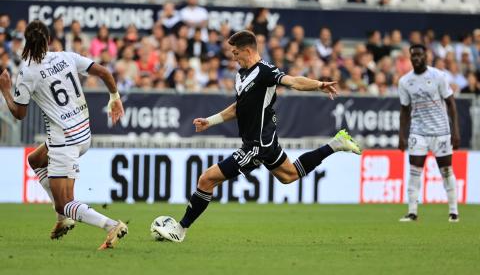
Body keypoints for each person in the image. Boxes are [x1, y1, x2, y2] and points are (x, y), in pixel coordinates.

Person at [152, 30, 361, 243]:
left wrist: (318, 85)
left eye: (235, 53)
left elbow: (294, 81)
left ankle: (180, 229)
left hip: (257, 145)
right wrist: (210, 121)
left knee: (206, 179)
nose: (233, 57)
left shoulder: (266, 71)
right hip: (265, 141)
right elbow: (238, 108)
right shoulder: (241, 75)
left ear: (248, 50)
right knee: (289, 175)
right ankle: (336, 144)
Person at [0, 20, 128, 249]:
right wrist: (114, 97)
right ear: (49, 40)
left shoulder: (28, 72)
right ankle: (63, 219)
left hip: (64, 141)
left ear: (26, 42)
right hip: (83, 135)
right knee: (35, 159)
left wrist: (5, 91)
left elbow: (19, 114)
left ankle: (111, 225)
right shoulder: (65, 56)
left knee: (65, 203)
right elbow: (104, 72)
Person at [398, 44, 460, 223]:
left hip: (441, 131)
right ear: (410, 58)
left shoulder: (438, 76)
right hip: (418, 132)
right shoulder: (404, 81)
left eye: (419, 55)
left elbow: (451, 104)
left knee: (446, 170)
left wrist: (455, 131)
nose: (416, 58)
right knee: (414, 171)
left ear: (426, 56)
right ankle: (412, 212)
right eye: (413, 56)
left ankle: (453, 211)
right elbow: (404, 110)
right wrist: (401, 136)